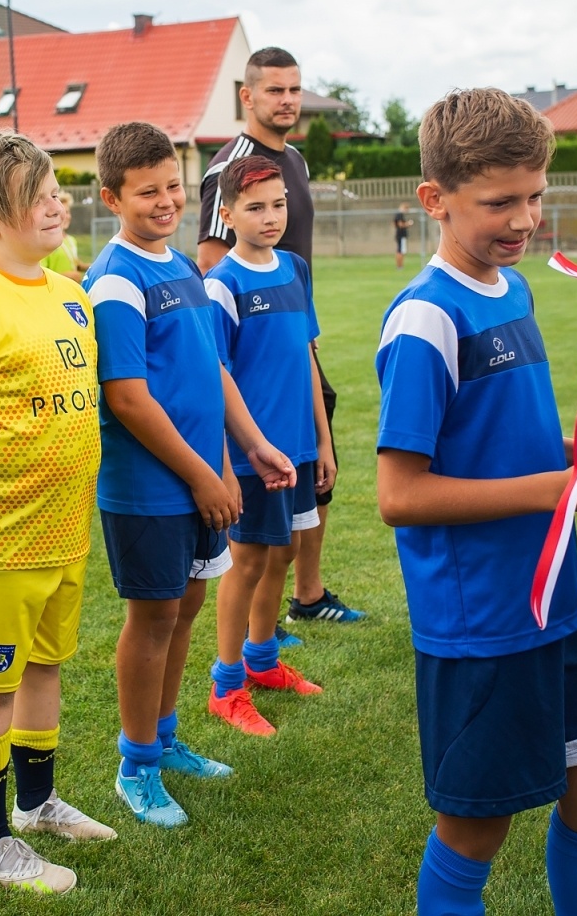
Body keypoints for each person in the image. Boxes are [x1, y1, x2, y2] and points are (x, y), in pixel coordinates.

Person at [377, 90, 577, 916]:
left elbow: (500, 439)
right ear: (436, 199)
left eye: (534, 196)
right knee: (476, 828)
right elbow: (401, 494)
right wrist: (568, 489)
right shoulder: (427, 318)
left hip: (554, 599)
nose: (525, 217)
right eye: (500, 201)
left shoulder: (514, 290)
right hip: (484, 621)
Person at [86, 123, 290, 823]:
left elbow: (213, 371)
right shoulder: (115, 281)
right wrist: (203, 477)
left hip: (204, 479)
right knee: (153, 618)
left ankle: (164, 739)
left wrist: (246, 451)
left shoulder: (181, 266)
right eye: (148, 192)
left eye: (174, 186)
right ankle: (134, 765)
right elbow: (128, 398)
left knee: (189, 607)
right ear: (112, 197)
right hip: (148, 491)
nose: (167, 201)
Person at [0, 132, 113, 895]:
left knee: (47, 669)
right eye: (38, 193)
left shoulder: (70, 293)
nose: (58, 201)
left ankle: (39, 802)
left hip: (65, 529)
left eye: (55, 189)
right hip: (2, 540)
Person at [198, 45, 362, 631]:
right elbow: (216, 268)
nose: (288, 100)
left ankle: (304, 599)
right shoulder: (231, 167)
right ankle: (245, 653)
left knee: (313, 481)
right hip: (255, 376)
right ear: (248, 96)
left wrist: (306, 351)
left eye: (295, 89)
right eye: (275, 90)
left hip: (298, 344)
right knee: (255, 546)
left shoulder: (294, 160)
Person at [204, 154, 331, 737]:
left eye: (278, 204)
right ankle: (226, 686)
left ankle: (262, 661)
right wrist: (236, 456)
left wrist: (322, 443)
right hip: (253, 454)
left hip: (299, 448)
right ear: (227, 214)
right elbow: (217, 378)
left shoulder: (295, 270)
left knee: (283, 553)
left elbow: (305, 356)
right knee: (249, 559)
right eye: (255, 207)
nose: (270, 216)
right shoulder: (221, 285)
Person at [41, 190, 89, 282]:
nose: (66, 216)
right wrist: (68, 276)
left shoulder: (71, 240)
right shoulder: (45, 242)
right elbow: (40, 274)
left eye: (68, 212)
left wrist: (93, 266)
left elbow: (76, 263)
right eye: (62, 212)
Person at [394, 204, 414, 269]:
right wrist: (408, 224)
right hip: (401, 235)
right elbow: (400, 225)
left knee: (400, 250)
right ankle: (400, 266)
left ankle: (400, 266)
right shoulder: (399, 215)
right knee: (400, 251)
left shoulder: (398, 215)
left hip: (399, 235)